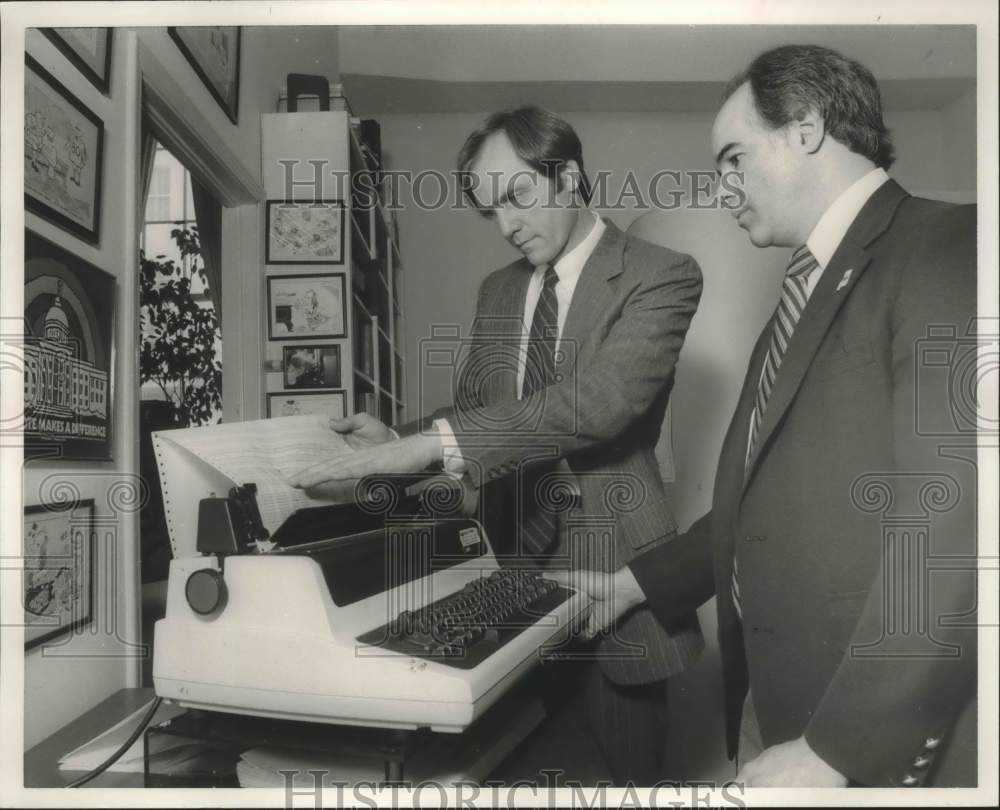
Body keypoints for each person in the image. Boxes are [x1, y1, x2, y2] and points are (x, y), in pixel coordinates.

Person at [553, 44, 978, 787]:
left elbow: (956, 514)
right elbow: (763, 506)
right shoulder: (804, 289)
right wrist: (636, 584)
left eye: (733, 159)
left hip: (860, 730)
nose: (724, 188)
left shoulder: (951, 245)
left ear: (806, 128)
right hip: (777, 704)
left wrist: (838, 749)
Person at [291, 106, 705, 783]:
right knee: (514, 770)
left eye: (517, 195)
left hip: (616, 571)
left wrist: (429, 446)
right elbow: (482, 413)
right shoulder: (499, 291)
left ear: (568, 175)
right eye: (491, 210)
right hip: (506, 567)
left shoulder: (661, 273)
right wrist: (399, 437)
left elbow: (599, 402)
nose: (507, 225)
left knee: (626, 782)